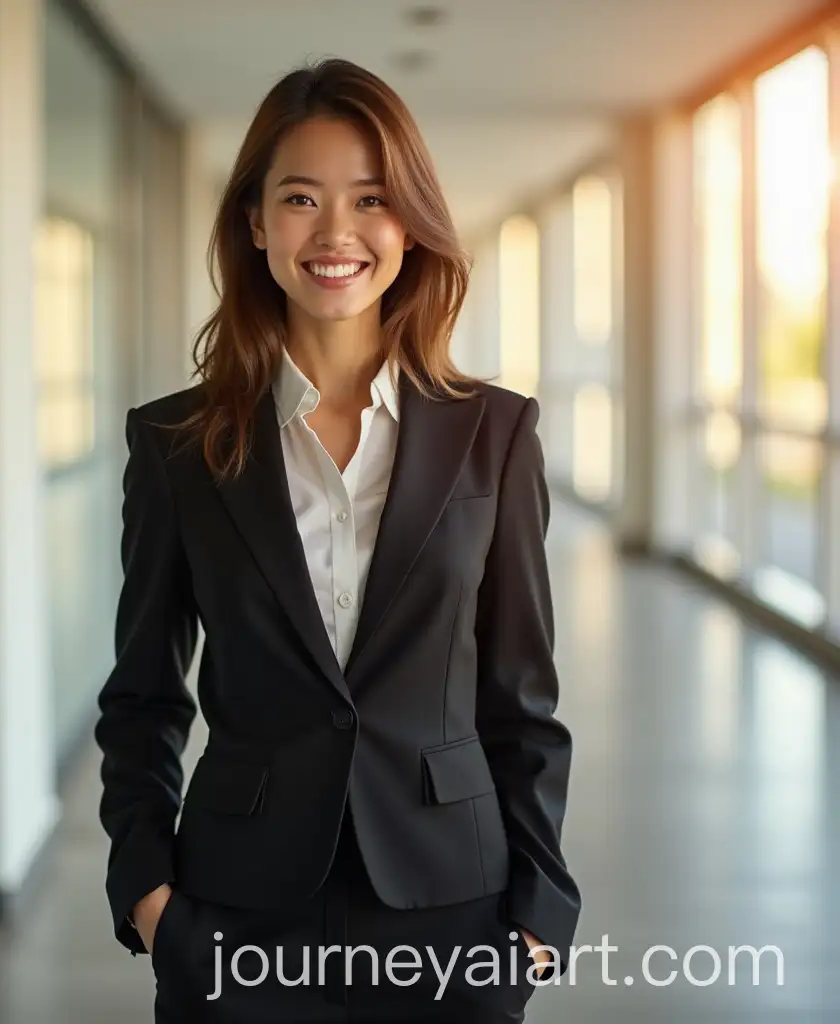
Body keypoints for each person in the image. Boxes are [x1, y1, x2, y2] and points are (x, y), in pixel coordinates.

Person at [94, 57, 580, 1023]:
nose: (337, 234)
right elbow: (144, 692)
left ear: (411, 225)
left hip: (455, 908)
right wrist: (150, 895)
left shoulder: (496, 433)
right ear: (256, 224)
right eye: (302, 198)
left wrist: (539, 912)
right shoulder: (176, 445)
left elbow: (520, 697)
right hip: (238, 911)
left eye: (371, 199)